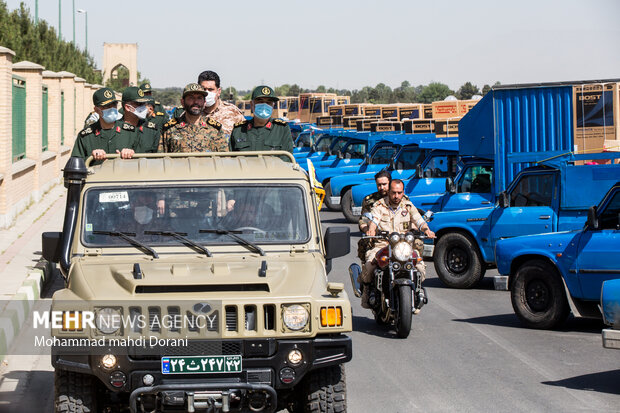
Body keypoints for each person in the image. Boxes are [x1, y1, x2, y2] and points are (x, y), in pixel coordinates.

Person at [360, 179, 436, 309]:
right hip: (383, 244)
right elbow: (375, 219)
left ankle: (416, 294)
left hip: (404, 246)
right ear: (389, 192)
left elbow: (419, 221)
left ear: (403, 192)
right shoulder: (380, 205)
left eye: (399, 193)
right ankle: (368, 292)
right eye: (393, 193)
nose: (396, 196)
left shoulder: (408, 206)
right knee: (369, 265)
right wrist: (371, 229)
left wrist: (427, 230)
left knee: (420, 266)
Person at [71, 87, 137, 165]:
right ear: (96, 110)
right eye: (107, 106)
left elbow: (144, 161)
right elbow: (75, 165)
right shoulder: (86, 136)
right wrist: (91, 157)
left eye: (114, 104)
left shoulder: (131, 132)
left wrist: (131, 154)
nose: (112, 109)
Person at [159, 83, 227, 153]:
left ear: (204, 103)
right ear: (182, 102)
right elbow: (161, 160)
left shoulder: (215, 130)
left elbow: (225, 160)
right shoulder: (170, 129)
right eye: (191, 98)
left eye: (199, 98)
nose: (195, 102)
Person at [229, 85, 294, 154]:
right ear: (251, 104)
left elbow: (286, 159)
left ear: (273, 106)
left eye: (269, 102)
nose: (264, 105)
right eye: (260, 101)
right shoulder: (239, 131)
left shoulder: (281, 130)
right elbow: (232, 160)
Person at [198, 70, 245, 138]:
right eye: (203, 89)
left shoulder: (233, 112)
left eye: (210, 89)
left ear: (218, 91)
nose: (207, 93)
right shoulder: (192, 113)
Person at [357, 170, 391, 261]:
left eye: (384, 184)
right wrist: (367, 230)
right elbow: (364, 219)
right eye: (379, 185)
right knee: (366, 247)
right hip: (378, 236)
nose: (382, 187)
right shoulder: (370, 200)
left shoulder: (400, 198)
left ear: (390, 183)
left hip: (397, 236)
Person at [117, 86, 161, 154]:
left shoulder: (152, 130)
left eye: (144, 103)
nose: (143, 107)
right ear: (128, 107)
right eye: (139, 104)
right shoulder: (115, 129)